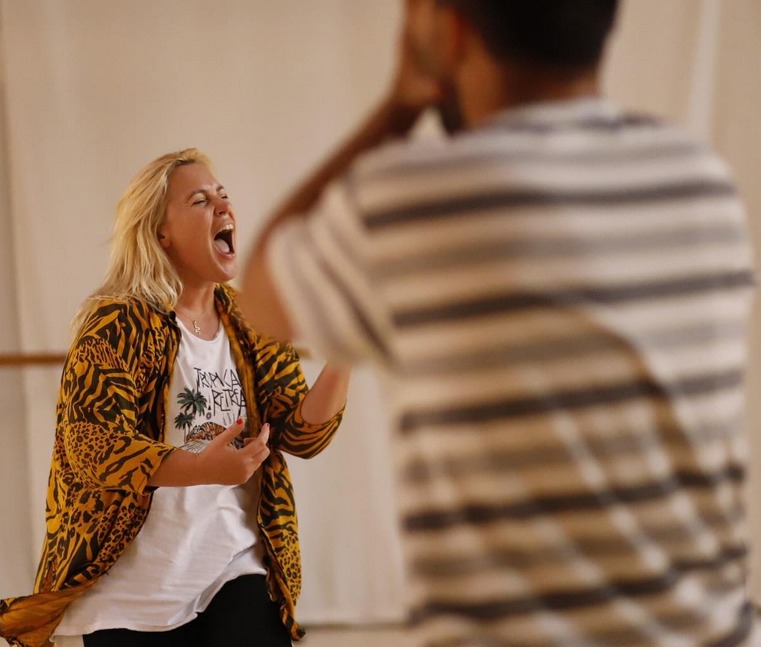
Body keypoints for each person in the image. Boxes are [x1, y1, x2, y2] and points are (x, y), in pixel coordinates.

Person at [240, 1, 758, 646]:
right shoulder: (700, 181)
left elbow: (260, 297)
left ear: (446, 27)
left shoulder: (414, 200)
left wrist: (400, 105)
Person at [0, 148, 350, 647]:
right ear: (161, 233)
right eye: (200, 201)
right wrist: (202, 467)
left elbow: (301, 434)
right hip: (131, 589)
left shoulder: (252, 320)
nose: (223, 207)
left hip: (234, 563)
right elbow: (92, 446)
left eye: (223, 195)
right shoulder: (118, 323)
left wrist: (346, 350)